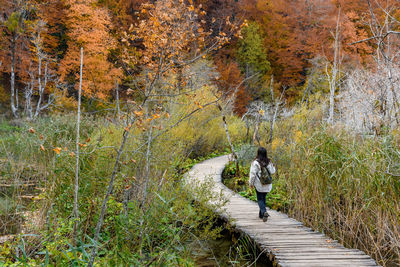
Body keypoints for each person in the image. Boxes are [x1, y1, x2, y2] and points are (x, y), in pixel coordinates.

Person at [249, 147, 276, 222]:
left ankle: (264, 212)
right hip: (267, 184)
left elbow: (252, 174)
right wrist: (273, 166)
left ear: (258, 153)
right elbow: (273, 171)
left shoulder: (255, 162)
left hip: (259, 184)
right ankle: (261, 215)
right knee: (263, 198)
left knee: (260, 199)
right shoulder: (268, 162)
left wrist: (251, 183)